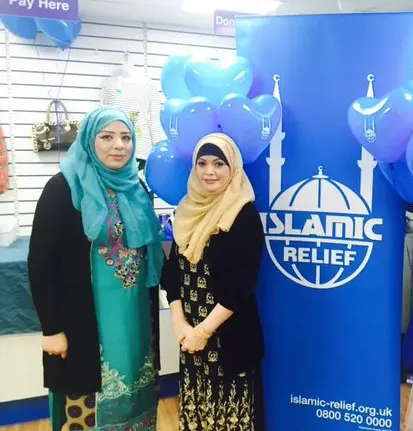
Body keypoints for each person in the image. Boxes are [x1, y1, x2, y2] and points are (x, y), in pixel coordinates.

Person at [28, 106, 165, 431]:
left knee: (138, 396)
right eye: (107, 137)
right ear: (89, 140)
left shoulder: (136, 189)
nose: (119, 145)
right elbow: (41, 263)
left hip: (136, 320)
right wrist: (51, 329)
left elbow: (151, 252)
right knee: (85, 406)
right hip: (85, 325)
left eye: (126, 137)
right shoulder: (64, 189)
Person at [162, 133, 266, 430]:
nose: (209, 172)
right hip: (191, 340)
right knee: (197, 416)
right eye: (203, 163)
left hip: (227, 339)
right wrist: (180, 325)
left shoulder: (243, 215)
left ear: (233, 168)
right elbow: (172, 273)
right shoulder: (186, 210)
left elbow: (241, 285)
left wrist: (203, 332)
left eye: (219, 164)